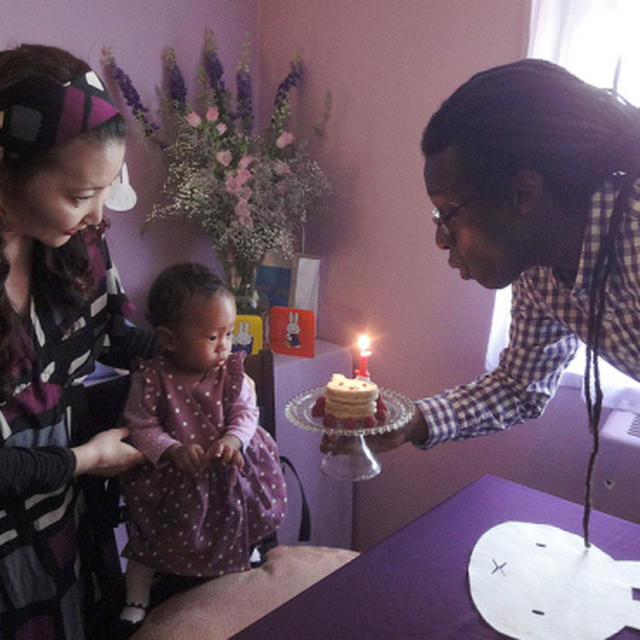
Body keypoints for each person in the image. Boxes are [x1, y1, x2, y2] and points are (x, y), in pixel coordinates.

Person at [327, 59, 640, 520]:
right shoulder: (539, 274)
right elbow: (519, 386)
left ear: (522, 195)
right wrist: (412, 421)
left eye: (449, 212)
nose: (440, 239)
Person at [0, 43, 157, 639]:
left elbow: (111, 336)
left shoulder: (78, 247)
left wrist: (204, 358)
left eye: (106, 189)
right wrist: (84, 460)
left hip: (61, 535)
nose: (97, 216)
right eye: (77, 195)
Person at [117, 262, 287, 634]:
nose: (225, 345)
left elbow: (246, 413)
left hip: (228, 471)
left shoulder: (233, 373)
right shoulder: (151, 377)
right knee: (149, 535)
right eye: (213, 337)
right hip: (175, 479)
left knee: (242, 515)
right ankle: (136, 594)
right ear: (168, 338)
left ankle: (245, 554)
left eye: (229, 333)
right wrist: (170, 448)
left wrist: (233, 439)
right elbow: (141, 425)